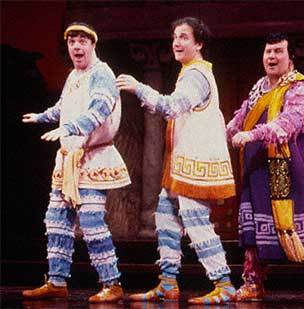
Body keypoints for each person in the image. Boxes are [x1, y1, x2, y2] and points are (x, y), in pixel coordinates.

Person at [227, 32, 304, 304]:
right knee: (256, 224)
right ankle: (253, 280)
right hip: (259, 168)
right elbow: (239, 120)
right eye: (268, 52)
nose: (271, 57)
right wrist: (220, 133)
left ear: (291, 57)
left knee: (298, 221)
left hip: (289, 169)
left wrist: (251, 136)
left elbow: (290, 122)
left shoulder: (301, 88)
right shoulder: (259, 87)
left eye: (278, 51)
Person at [116, 17, 237, 305]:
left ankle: (224, 283)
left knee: (195, 219)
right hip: (183, 160)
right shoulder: (189, 71)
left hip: (197, 159)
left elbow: (171, 107)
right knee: (166, 213)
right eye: (174, 37)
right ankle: (168, 281)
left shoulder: (196, 74)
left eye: (184, 37)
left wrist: (138, 87)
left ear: (199, 44)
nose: (176, 43)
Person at [21, 22, 131, 303]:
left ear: (93, 44)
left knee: (92, 221)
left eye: (82, 41)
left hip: (93, 157)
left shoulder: (102, 74)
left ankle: (112, 284)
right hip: (69, 159)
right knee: (57, 220)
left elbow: (99, 109)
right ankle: (57, 281)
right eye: (72, 42)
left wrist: (69, 128)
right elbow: (63, 106)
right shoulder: (74, 75)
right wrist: (43, 116)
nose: (77, 47)